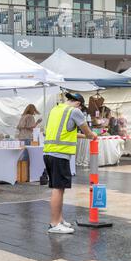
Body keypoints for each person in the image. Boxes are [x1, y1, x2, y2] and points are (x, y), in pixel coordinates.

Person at [43, 93, 97, 234]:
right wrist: (92, 135)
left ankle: (59, 220)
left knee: (59, 188)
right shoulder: (75, 111)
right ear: (78, 104)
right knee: (58, 188)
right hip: (60, 154)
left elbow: (66, 133)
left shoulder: (55, 110)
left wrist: (85, 135)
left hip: (49, 153)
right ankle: (54, 224)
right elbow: (87, 131)